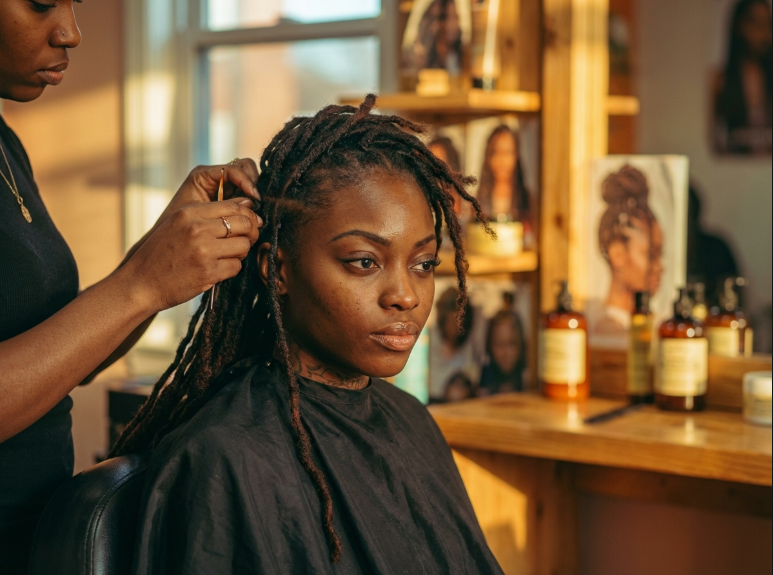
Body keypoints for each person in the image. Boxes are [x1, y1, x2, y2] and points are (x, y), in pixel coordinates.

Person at [111, 96, 504, 574]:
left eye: (423, 264)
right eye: (364, 261)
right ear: (277, 270)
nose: (405, 296)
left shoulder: (411, 421)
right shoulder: (226, 456)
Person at [0, 2, 261, 572]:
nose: (71, 33)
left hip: (37, 540)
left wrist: (158, 260)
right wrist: (141, 283)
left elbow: (63, 360)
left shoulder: (5, 145)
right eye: (42, 3)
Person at [595, 165, 664, 336]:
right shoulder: (608, 330)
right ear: (618, 254)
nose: (660, 266)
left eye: (659, 255)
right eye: (651, 255)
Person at [713, 0, 772, 155]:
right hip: (734, 172)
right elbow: (716, 143)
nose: (762, 32)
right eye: (754, 23)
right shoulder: (721, 81)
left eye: (767, 24)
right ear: (739, 26)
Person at [476, 125, 534, 238]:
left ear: (516, 156)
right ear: (488, 157)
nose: (502, 160)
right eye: (496, 152)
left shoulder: (528, 199)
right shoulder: (476, 201)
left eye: (507, 152)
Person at [428, 286, 483, 401]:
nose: (453, 329)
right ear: (442, 320)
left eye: (458, 323)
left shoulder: (470, 344)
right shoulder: (430, 340)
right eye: (450, 322)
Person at [478, 308, 527, 395]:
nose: (505, 353)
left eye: (511, 344)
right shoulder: (481, 382)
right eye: (498, 344)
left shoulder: (531, 381)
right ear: (489, 346)